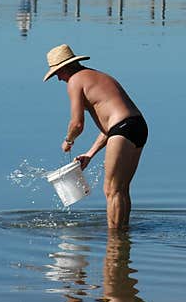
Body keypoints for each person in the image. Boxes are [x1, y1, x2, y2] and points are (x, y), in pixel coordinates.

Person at [43, 44, 148, 230]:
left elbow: (77, 124)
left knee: (111, 190)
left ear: (66, 68)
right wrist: (90, 153)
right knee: (121, 189)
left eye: (58, 73)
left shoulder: (75, 81)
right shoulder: (98, 76)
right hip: (138, 126)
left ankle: (114, 241)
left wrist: (68, 140)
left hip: (122, 129)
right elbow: (112, 126)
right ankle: (122, 235)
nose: (59, 78)